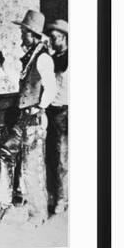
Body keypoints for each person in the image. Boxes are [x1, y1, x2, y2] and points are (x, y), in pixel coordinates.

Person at [0, 10, 56, 227]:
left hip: (34, 120)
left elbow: (51, 88)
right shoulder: (31, 57)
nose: (21, 37)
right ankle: (3, 202)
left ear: (32, 34)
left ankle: (38, 214)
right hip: (23, 119)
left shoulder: (43, 57)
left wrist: (39, 107)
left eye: (24, 32)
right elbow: (20, 83)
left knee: (32, 167)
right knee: (5, 152)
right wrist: (1, 63)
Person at [47, 19, 69, 214]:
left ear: (63, 37)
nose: (52, 42)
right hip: (55, 111)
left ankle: (65, 197)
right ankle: (58, 196)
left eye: (54, 38)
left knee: (65, 157)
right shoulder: (52, 58)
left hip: (68, 110)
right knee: (56, 157)